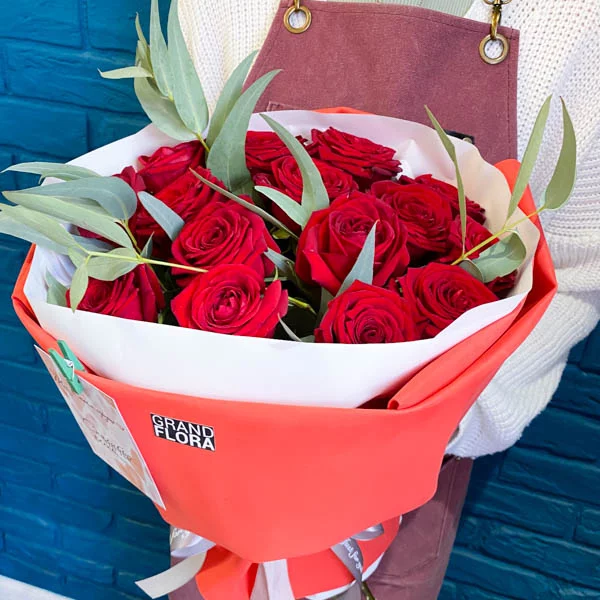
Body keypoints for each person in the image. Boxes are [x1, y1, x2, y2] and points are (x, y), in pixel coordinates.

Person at [174, 0, 600, 598]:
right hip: (216, 458)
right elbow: (189, 175)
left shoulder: (577, 22)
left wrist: (438, 419)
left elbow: (580, 270)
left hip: (412, 482)